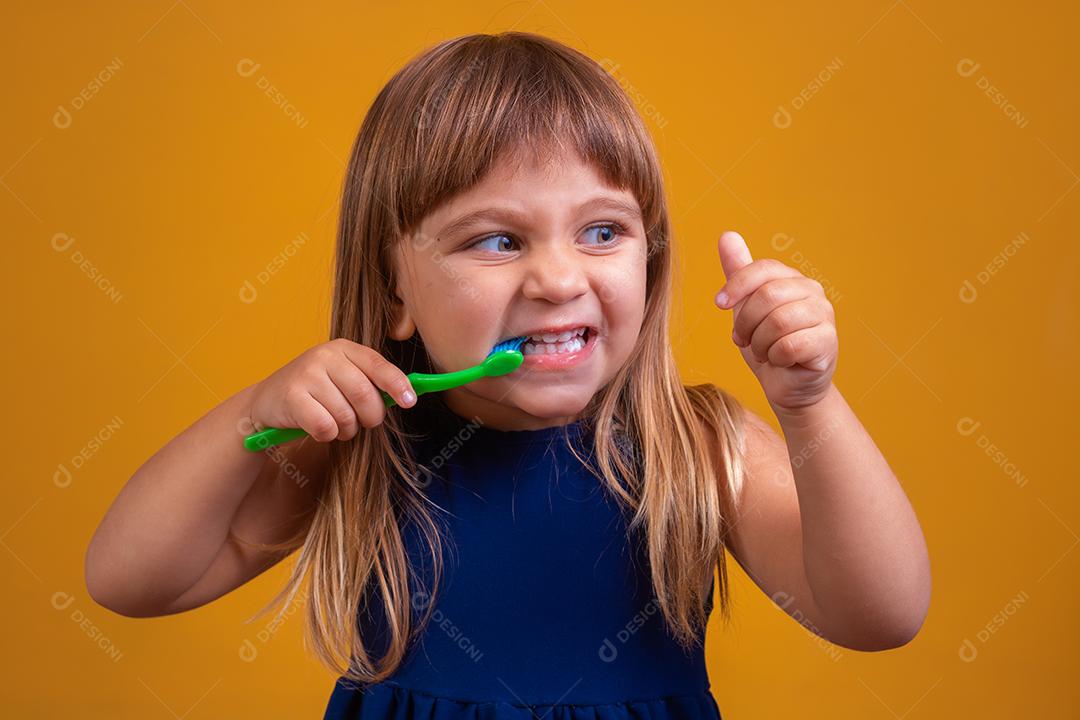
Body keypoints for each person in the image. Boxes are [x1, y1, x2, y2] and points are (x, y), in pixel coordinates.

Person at [86, 31, 931, 720]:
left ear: (652, 257)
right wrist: (251, 419)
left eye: (602, 233)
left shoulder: (697, 442)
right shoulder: (360, 446)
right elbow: (130, 580)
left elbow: (878, 615)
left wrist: (809, 406)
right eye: (498, 240)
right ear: (394, 290)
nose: (560, 280)